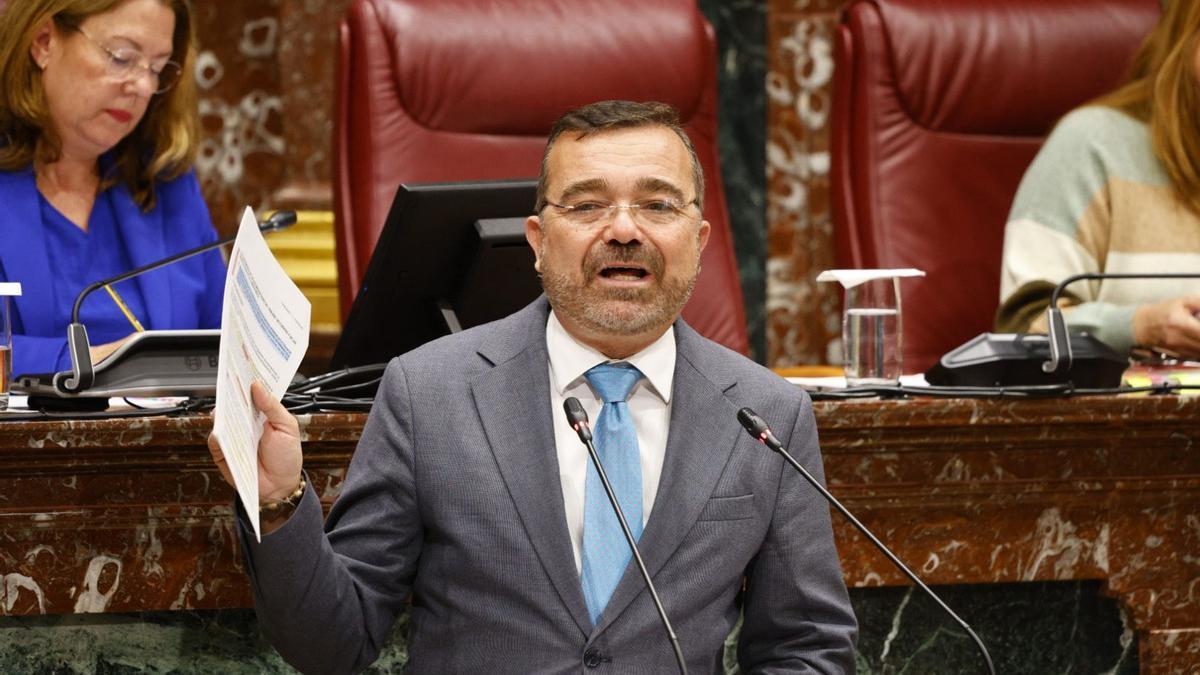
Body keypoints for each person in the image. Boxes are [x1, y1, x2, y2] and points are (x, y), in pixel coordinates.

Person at [208, 100, 857, 673]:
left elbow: (808, 645)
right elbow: (333, 645)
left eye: (658, 204)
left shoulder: (768, 411)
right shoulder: (429, 390)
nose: (625, 228)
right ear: (538, 241)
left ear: (698, 239)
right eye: (588, 204)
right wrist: (279, 503)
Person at [0, 0, 224, 376]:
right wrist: (106, 363)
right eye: (122, 57)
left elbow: (230, 347)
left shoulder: (166, 182)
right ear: (43, 42)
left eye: (157, 69)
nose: (142, 86)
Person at [996, 0, 1200, 357]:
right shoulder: (1093, 145)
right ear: (1185, 41)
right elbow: (1024, 329)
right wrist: (1142, 325)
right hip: (1127, 411)